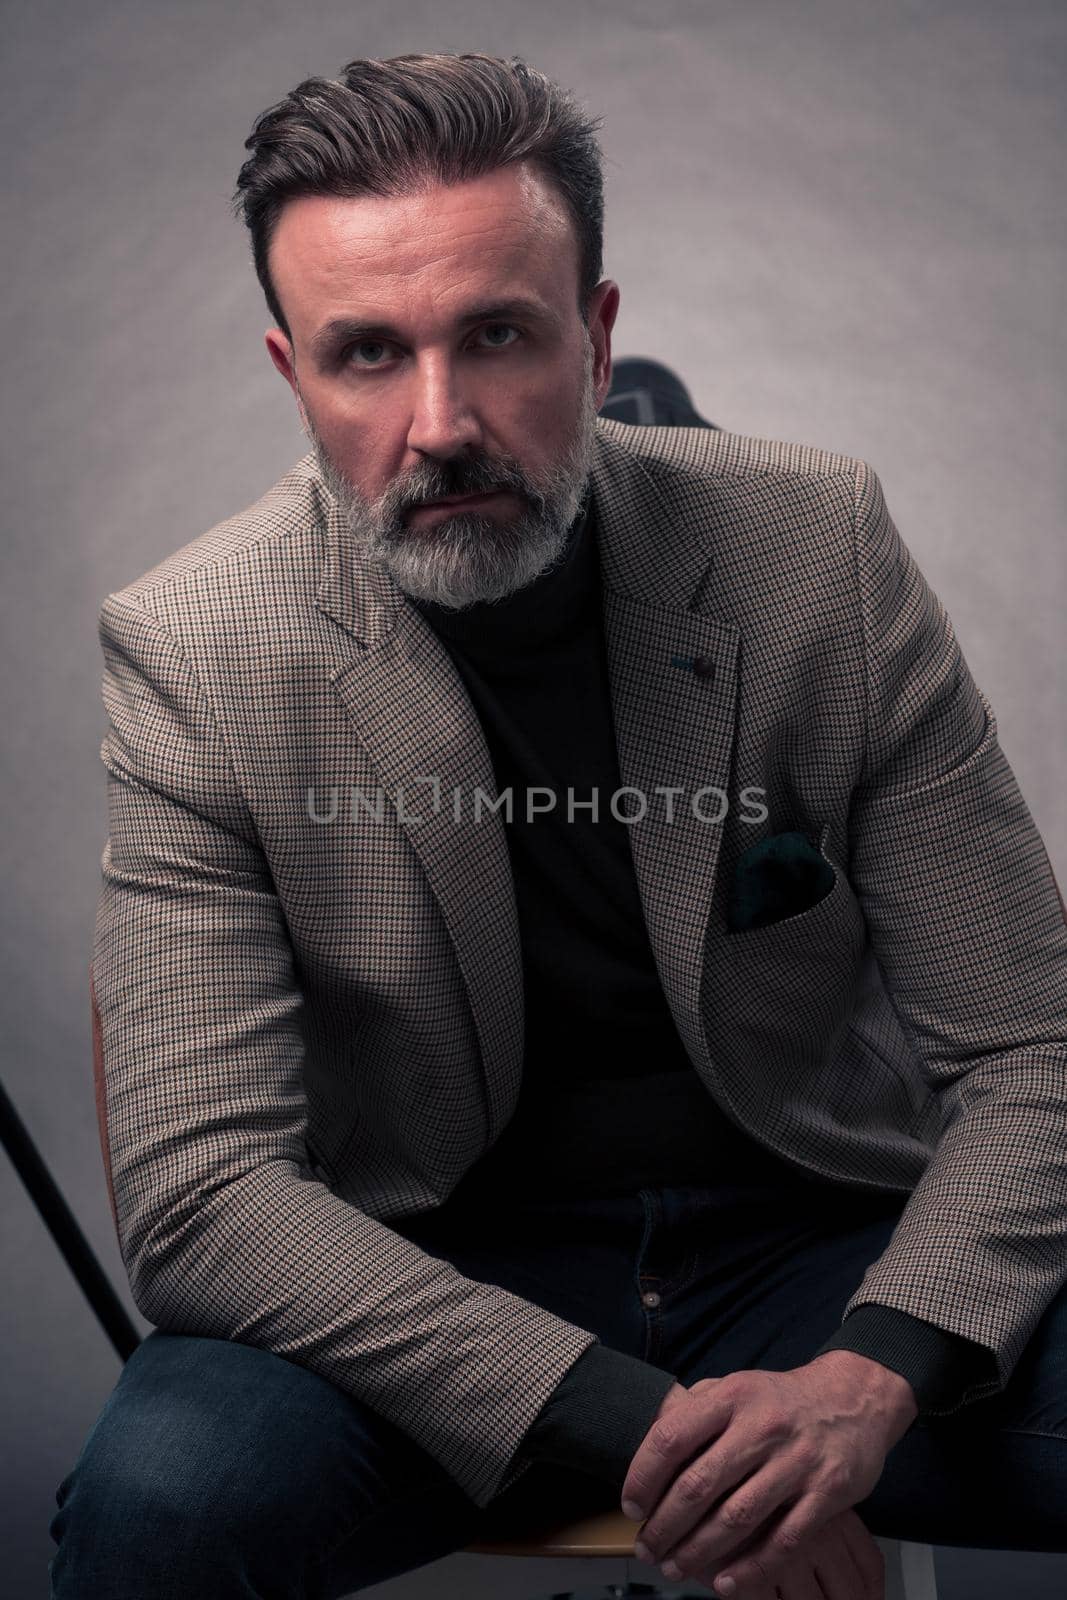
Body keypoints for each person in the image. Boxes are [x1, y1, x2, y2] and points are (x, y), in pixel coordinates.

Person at [51, 49, 1067, 1600]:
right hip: (420, 1290)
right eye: (368, 355)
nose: (442, 421)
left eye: (498, 336)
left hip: (818, 1256)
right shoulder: (197, 649)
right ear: (291, 373)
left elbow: (1033, 1053)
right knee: (163, 1508)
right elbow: (204, 1198)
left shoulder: (817, 551)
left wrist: (865, 1381)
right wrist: (685, 1445)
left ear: (596, 339)